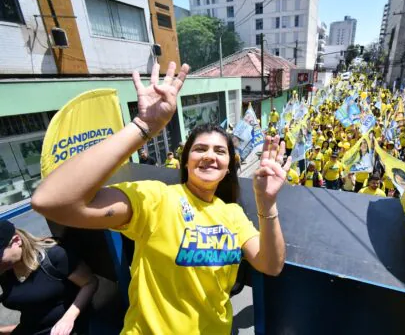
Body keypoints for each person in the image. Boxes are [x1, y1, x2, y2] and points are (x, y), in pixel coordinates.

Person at [31, 62, 290, 334]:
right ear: (186, 162)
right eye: (200, 149)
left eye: (220, 151)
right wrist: (144, 125)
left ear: (228, 167)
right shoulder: (156, 199)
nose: (210, 155)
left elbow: (270, 265)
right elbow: (50, 200)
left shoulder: (233, 215)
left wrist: (267, 202)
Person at [0, 221, 98, 335]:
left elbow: (90, 282)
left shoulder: (54, 256)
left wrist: (68, 318)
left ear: (17, 241)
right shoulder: (5, 271)